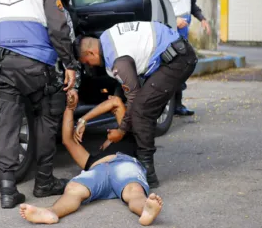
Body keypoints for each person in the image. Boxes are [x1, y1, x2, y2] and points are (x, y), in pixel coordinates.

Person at [0, 0, 80, 209]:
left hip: (4, 65)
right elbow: (59, 28)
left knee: (8, 122)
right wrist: (70, 64)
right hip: (38, 65)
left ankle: (7, 190)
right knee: (49, 113)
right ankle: (43, 181)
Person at [74, 20, 198, 188]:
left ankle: (148, 172)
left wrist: (121, 130)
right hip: (174, 53)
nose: (90, 66)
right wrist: (84, 120)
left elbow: (133, 96)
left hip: (178, 59)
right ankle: (143, 156)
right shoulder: (107, 38)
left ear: (91, 52)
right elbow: (122, 94)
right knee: (144, 106)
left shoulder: (116, 58)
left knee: (141, 109)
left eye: (87, 62)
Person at [19, 92, 163, 226]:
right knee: (74, 189)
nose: (108, 132)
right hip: (97, 169)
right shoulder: (90, 160)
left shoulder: (126, 135)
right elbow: (68, 140)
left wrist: (83, 120)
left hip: (124, 164)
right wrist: (70, 108)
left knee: (133, 191)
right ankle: (51, 212)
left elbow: (116, 103)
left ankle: (145, 209)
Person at [160, 0, 210, 116]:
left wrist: (202, 18)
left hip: (183, 34)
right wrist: (174, 21)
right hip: (169, 35)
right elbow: (158, 13)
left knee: (181, 68)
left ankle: (178, 106)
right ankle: (166, 107)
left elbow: (193, 5)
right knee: (171, 69)